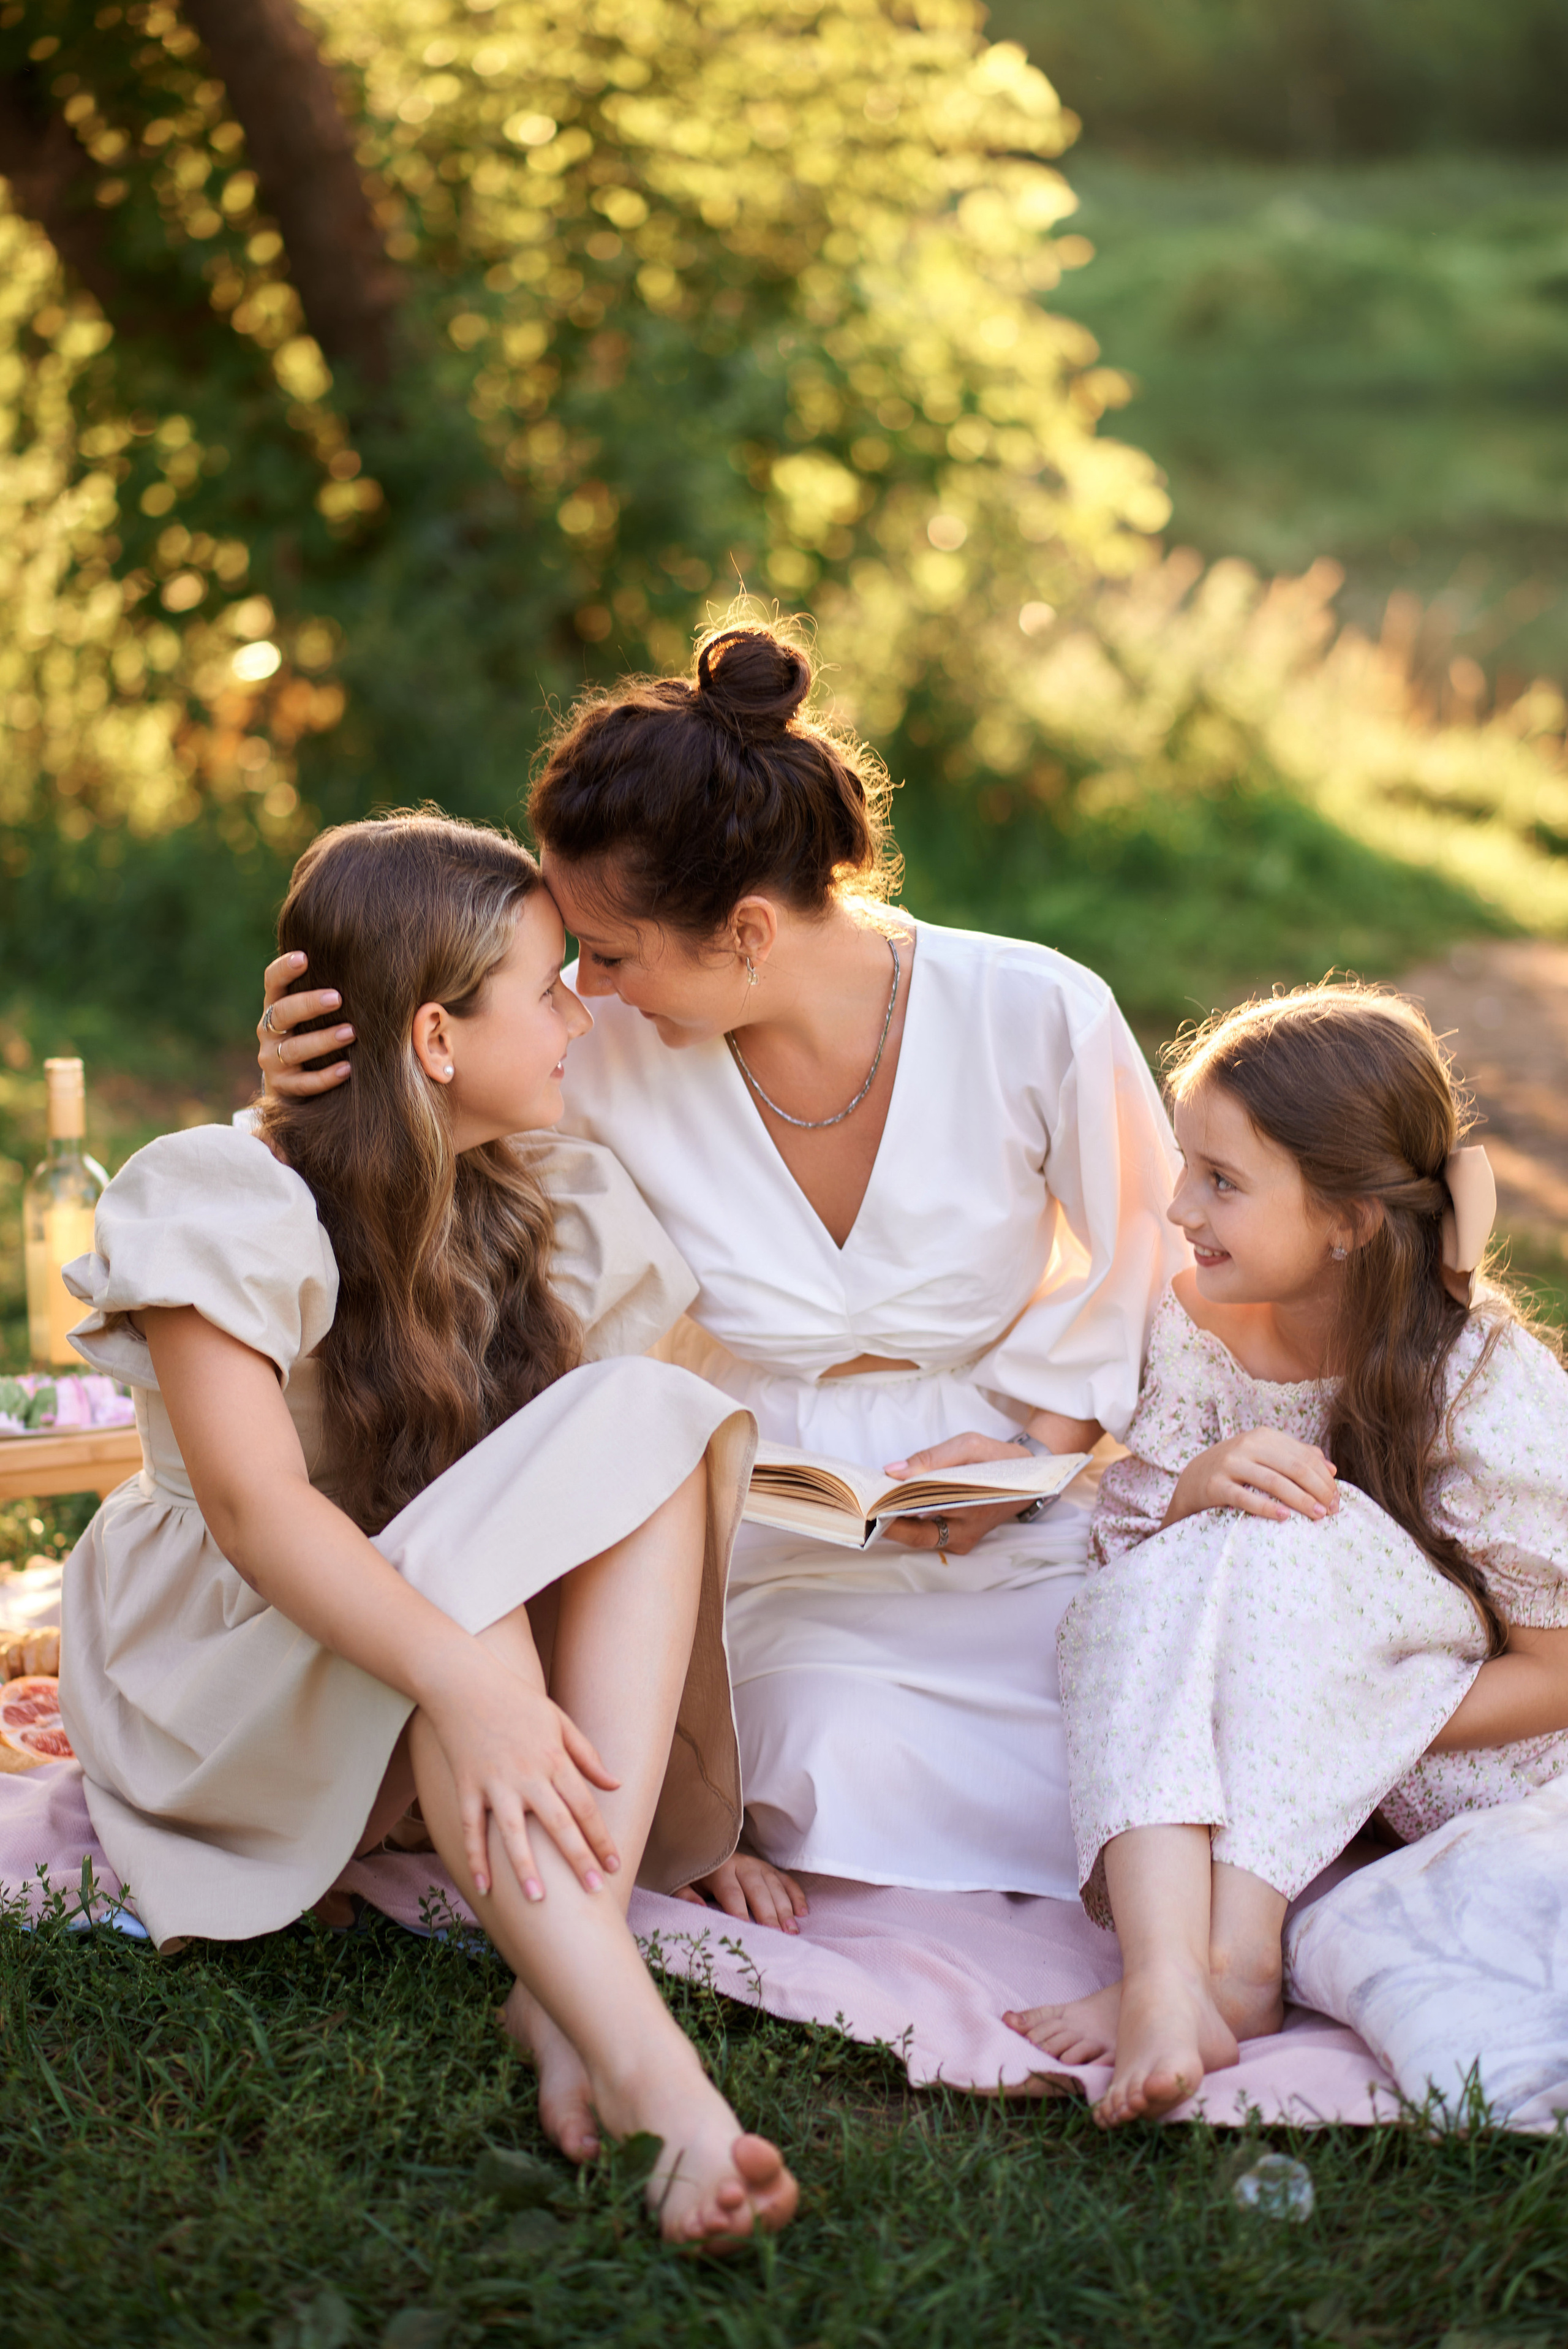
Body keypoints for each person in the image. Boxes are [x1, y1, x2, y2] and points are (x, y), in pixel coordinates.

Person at [257, 621, 1187, 1918]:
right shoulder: (602, 1050)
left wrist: (1024, 1447)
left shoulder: (1033, 1011)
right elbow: (426, 1177)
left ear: (745, 931)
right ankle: (737, 1793)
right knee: (818, 1734)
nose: (585, 984)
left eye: (615, 951)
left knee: (1129, 1687)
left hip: (1004, 1477)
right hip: (749, 1508)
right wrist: (319, 1089)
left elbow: (1154, 1247)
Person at [62, 812, 796, 2244]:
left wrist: (687, 1785)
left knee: (641, 1419)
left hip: (433, 1661)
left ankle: (557, 1981)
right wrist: (471, 1682)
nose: (581, 1015)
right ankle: (661, 2081)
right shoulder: (227, 1196)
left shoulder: (550, 1195)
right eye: (545, 989)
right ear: (438, 1041)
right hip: (233, 1679)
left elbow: (597, 1515)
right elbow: (259, 1515)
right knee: (498, 1574)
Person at [1005, 985, 1568, 2125]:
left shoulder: (1484, 1382)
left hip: (1451, 1740)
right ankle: (1171, 1975)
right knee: (1179, 1558)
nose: (1177, 1206)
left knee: (1305, 1529)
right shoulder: (1197, 1324)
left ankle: (1241, 1962)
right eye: (1184, 1166)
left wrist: (1328, 1699)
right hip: (1276, 1703)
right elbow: (1133, 1572)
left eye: (1221, 1180)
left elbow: (1557, 1670)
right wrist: (1197, 1490)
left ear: (1348, 1221)